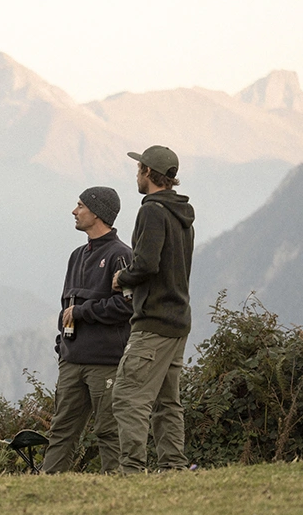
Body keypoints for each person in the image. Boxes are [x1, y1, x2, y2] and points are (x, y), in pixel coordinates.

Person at [111, 145, 196, 474]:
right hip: (178, 320)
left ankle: (131, 469)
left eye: (139, 169)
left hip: (154, 322)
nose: (136, 174)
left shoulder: (152, 211)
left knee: (127, 394)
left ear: (148, 173)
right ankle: (173, 465)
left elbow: (146, 263)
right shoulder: (181, 215)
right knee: (166, 400)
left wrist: (123, 277)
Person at [41, 187, 133, 474]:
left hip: (105, 364)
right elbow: (66, 303)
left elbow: (127, 306)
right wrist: (62, 345)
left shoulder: (121, 255)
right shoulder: (77, 255)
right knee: (61, 430)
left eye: (80, 205)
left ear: (98, 213)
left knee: (108, 431)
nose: (74, 211)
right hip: (72, 360)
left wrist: (83, 313)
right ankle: (48, 484)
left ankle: (116, 488)